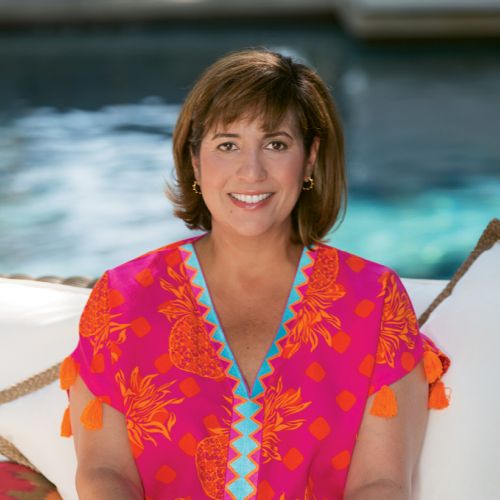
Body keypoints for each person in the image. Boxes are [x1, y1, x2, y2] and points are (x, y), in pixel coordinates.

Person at [59, 49, 450, 499]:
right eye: (227, 145)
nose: (251, 171)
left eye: (276, 144)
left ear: (309, 159)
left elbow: (380, 484)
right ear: (194, 160)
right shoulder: (123, 299)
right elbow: (105, 473)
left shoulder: (372, 299)